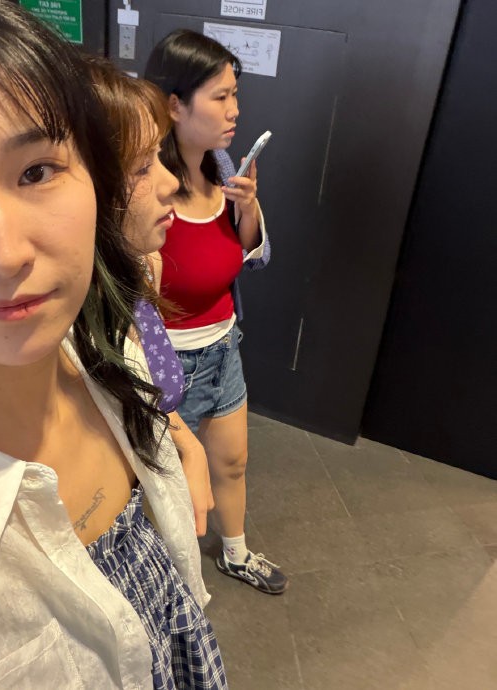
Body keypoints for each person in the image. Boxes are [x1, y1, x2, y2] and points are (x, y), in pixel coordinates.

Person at [0, 3, 227, 688]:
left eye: (36, 171)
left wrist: (175, 434)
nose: (4, 252)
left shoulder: (102, 346)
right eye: (143, 166)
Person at [146, 29, 287, 595]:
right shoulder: (142, 186)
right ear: (174, 105)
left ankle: (235, 554)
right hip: (166, 365)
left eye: (236, 95)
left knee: (231, 463)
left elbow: (250, 257)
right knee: (169, 484)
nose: (235, 110)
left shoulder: (224, 165)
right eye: (221, 96)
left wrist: (249, 208)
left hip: (224, 347)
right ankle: (173, 582)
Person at [86, 55, 214, 539]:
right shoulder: (57, 331)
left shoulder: (141, 270)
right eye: (142, 167)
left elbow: (143, 394)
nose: (171, 182)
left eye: (159, 156)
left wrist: (187, 443)